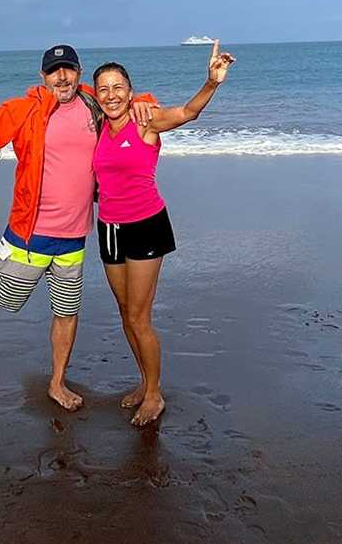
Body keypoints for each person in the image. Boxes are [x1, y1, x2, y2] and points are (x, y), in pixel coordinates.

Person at [0, 44, 137, 412]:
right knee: (4, 300)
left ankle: (57, 382)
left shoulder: (93, 105)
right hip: (32, 231)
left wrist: (147, 102)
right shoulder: (26, 110)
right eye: (55, 71)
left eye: (68, 69)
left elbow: (123, 100)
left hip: (74, 237)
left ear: (79, 72)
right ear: (43, 76)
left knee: (66, 313)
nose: (62, 77)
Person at [91, 42, 236, 427]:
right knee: (125, 314)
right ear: (96, 95)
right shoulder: (99, 126)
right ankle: (144, 382)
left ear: (130, 89)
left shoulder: (146, 122)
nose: (111, 95)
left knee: (140, 317)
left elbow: (189, 113)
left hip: (145, 225)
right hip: (108, 227)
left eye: (118, 87)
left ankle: (154, 394)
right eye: (103, 89)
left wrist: (211, 82)